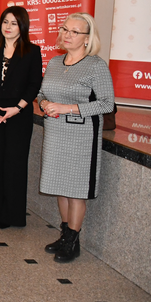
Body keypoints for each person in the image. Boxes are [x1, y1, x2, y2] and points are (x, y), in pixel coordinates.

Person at [37, 13, 114, 263]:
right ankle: (65, 235)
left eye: (74, 32)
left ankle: (72, 241)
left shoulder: (96, 65)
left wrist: (67, 108)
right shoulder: (54, 62)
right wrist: (45, 104)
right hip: (56, 132)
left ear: (87, 38)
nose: (67, 35)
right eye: (65, 29)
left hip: (81, 135)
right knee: (60, 185)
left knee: (76, 190)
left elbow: (107, 104)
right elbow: (41, 94)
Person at [0, 6, 42, 228]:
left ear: (22, 26)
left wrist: (18, 108)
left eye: (14, 23)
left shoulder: (32, 51)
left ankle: (10, 214)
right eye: (5, 22)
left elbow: (34, 84)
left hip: (18, 114)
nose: (8, 27)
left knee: (14, 164)